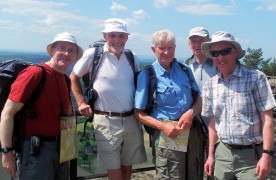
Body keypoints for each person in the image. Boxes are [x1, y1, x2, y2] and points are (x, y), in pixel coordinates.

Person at [70, 18, 146, 180]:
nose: (117, 40)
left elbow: (139, 84)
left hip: (131, 119)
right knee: (114, 169)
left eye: (121, 36)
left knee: (127, 167)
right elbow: (73, 77)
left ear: (126, 38)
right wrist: (81, 102)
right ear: (105, 36)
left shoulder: (132, 56)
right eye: (112, 35)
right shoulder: (93, 54)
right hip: (105, 119)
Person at [0, 32, 83, 179]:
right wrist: (7, 153)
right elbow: (7, 113)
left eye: (71, 50)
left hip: (60, 148)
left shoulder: (65, 80)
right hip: (35, 151)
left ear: (75, 56)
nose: (66, 53)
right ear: (52, 50)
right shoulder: (34, 74)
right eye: (62, 48)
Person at [201, 31, 276, 179]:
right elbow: (213, 123)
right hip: (223, 153)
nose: (220, 57)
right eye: (215, 53)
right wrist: (210, 156)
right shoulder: (210, 85)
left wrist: (267, 156)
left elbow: (268, 120)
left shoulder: (256, 78)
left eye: (225, 51)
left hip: (251, 156)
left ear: (235, 52)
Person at [134, 29, 202, 180]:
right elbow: (138, 113)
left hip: (191, 133)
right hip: (167, 135)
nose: (166, 52)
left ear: (175, 48)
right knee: (171, 176)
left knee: (194, 175)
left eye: (170, 47)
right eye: (162, 48)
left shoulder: (185, 70)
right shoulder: (148, 74)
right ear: (154, 49)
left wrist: (191, 113)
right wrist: (163, 126)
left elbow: (199, 99)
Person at [184, 26, 218, 180]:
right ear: (189, 44)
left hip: (218, 124)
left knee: (216, 167)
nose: (197, 44)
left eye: (201, 40)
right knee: (194, 167)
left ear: (208, 43)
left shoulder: (219, 63)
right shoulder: (185, 66)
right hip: (195, 124)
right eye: (193, 41)